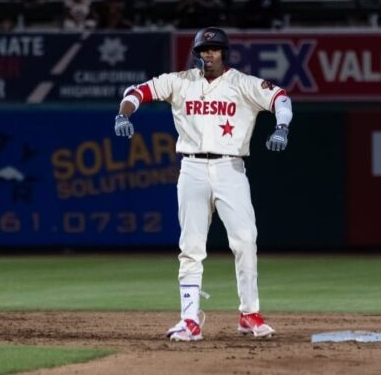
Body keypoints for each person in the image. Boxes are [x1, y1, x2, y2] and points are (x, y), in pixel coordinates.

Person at [113, 27, 292, 341]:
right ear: (197, 54)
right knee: (191, 246)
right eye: (204, 51)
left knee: (246, 240)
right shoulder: (180, 82)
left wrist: (282, 127)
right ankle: (189, 319)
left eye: (215, 50)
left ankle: (249, 313)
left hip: (230, 168)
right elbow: (136, 92)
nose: (209, 55)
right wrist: (123, 115)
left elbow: (280, 96)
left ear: (225, 52)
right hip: (192, 168)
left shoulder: (242, 84)